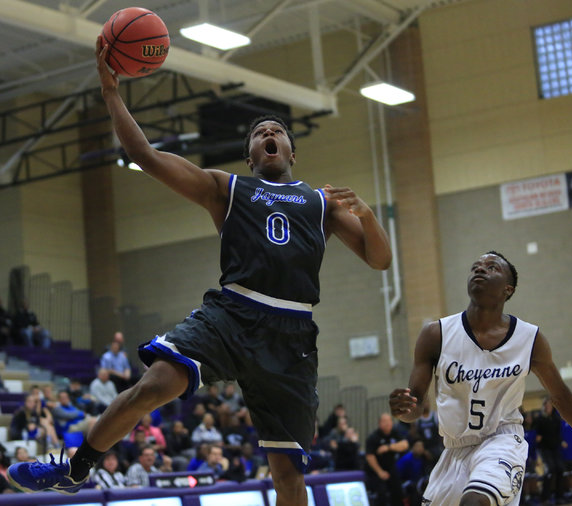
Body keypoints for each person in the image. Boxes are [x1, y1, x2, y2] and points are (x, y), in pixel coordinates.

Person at [6, 33, 392, 504]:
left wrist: (368, 216)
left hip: (291, 335)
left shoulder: (321, 203)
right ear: (250, 155)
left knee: (288, 474)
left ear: (293, 151)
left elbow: (380, 259)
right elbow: (145, 157)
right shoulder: (224, 188)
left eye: (278, 131)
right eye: (259, 133)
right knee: (154, 385)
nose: (269, 134)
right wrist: (110, 93)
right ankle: (78, 466)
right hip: (232, 314)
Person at [389, 251, 572, 506]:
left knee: (474, 502)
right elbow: (415, 407)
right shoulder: (436, 334)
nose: (480, 269)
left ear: (507, 290)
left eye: (491, 267)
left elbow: (560, 396)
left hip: (503, 440)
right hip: (454, 450)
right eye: (476, 266)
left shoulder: (530, 338)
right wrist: (404, 410)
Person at [364, 412, 409, 506]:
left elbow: (405, 445)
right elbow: (369, 456)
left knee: (398, 492)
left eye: (389, 421)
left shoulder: (395, 433)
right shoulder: (373, 437)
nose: (387, 423)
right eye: (384, 421)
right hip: (375, 471)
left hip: (391, 468)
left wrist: (388, 447)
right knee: (382, 493)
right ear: (379, 423)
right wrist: (380, 472)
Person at [534, 397, 566, 503]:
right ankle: (545, 497)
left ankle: (559, 496)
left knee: (560, 469)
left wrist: (561, 441)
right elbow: (537, 436)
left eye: (549, 405)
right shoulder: (540, 419)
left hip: (555, 448)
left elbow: (558, 433)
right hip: (544, 449)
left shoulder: (556, 418)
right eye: (546, 405)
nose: (547, 407)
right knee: (550, 470)